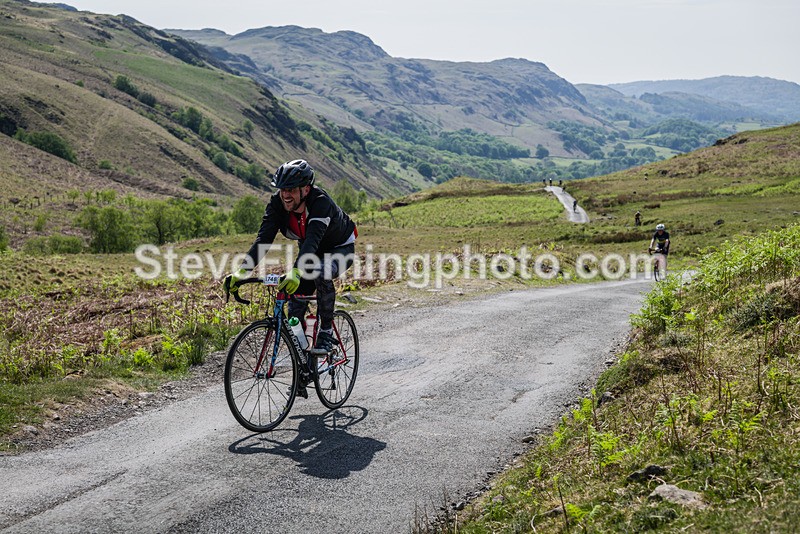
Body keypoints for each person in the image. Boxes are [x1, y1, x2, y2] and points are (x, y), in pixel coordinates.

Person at [224, 159, 357, 395]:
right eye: (282, 189)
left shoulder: (320, 203)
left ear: (305, 189)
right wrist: (243, 271)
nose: (285, 195)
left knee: (320, 271)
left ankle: (325, 333)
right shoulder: (277, 204)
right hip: (310, 250)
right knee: (294, 307)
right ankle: (303, 369)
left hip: (339, 248)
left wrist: (296, 270)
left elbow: (314, 240)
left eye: (291, 190)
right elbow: (263, 239)